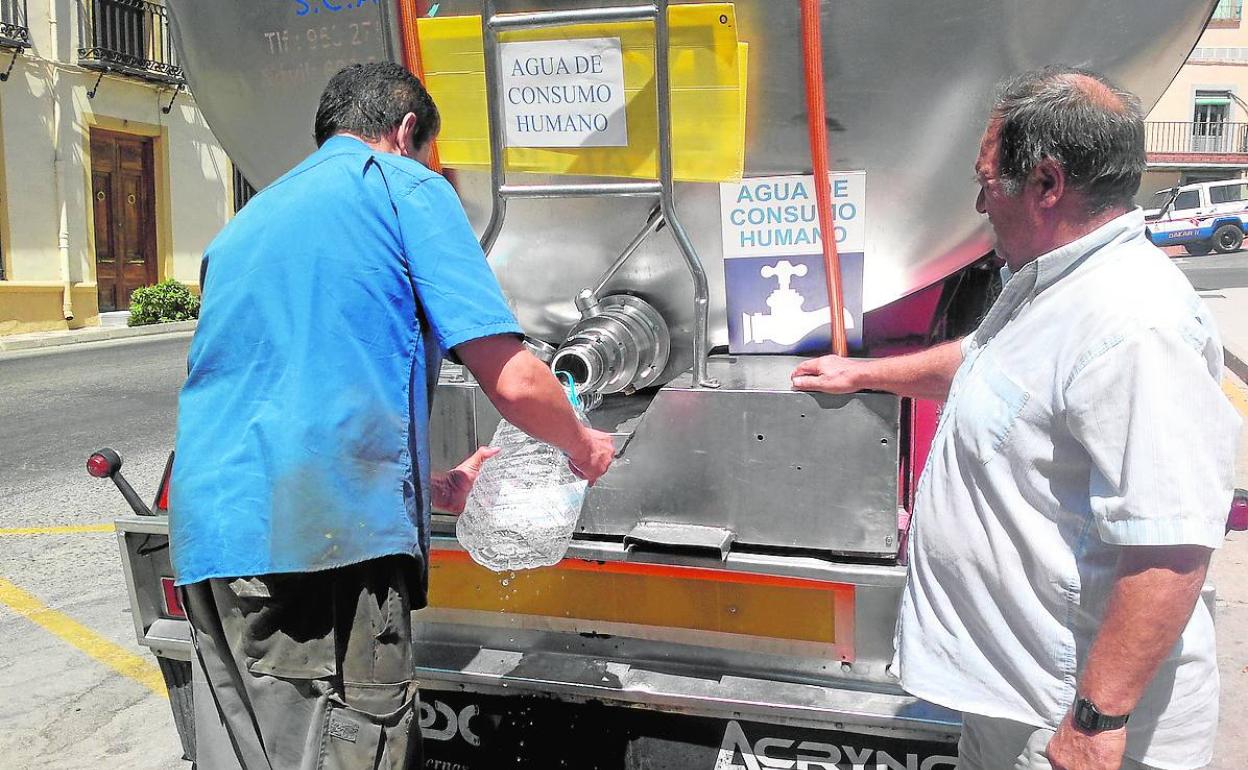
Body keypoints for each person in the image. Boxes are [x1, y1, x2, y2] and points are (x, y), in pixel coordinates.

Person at [169, 62, 616, 770]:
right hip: (320, 550)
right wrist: (582, 445)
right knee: (351, 742)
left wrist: (427, 484)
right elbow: (511, 378)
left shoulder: (248, 221)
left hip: (210, 543)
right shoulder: (403, 185)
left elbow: (281, 388)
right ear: (407, 131)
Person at [793, 66, 1240, 770]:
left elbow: (1171, 546)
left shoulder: (1136, 326)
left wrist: (1095, 722)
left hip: (1070, 725)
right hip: (1015, 702)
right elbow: (983, 362)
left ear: (1047, 184)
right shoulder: (1055, 284)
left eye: (987, 182)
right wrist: (866, 373)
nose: (979, 203)